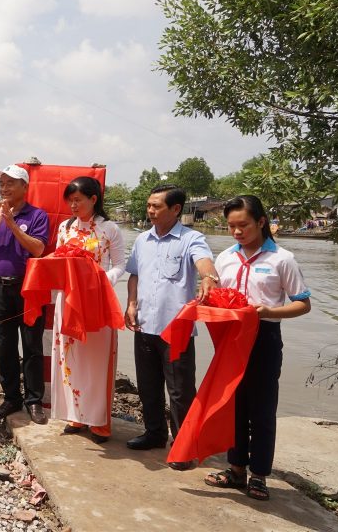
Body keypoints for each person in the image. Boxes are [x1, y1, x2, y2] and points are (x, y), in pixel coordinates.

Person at [204, 195, 311, 501]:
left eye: (243, 225)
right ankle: (236, 469)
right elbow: (219, 298)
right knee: (234, 405)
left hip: (264, 337)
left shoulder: (282, 259)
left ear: (261, 222)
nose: (237, 232)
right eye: (231, 226)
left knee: (262, 410)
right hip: (231, 338)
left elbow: (303, 304)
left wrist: (267, 312)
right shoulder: (224, 258)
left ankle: (260, 475)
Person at [124, 184, 219, 470]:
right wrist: (130, 304)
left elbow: (204, 263)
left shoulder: (192, 238)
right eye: (149, 205)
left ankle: (183, 445)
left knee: (180, 390)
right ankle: (154, 434)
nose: (150, 211)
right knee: (148, 385)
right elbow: (134, 275)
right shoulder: (143, 240)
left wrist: (208, 277)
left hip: (175, 328)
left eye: (157, 206)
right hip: (144, 325)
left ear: (175, 209)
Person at [50, 177, 125, 443]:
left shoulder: (110, 229)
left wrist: (100, 280)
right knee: (70, 357)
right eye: (69, 200)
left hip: (97, 301)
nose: (72, 205)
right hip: (69, 300)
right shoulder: (64, 228)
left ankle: (100, 422)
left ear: (94, 199)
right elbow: (58, 261)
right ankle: (75, 414)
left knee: (97, 359)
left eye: (77, 200)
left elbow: (119, 265)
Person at [0, 164, 49, 425]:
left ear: (24, 187)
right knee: (5, 347)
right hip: (0, 289)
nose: (4, 188)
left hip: (28, 289)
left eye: (10, 183)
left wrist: (12, 225)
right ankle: (11, 398)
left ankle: (34, 400)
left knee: (31, 346)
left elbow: (38, 249)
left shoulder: (37, 216)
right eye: (2, 183)